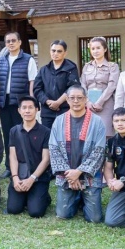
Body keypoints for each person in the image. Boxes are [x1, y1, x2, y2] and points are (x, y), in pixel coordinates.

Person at [48, 85, 107, 223]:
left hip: (89, 176)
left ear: (86, 99)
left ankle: (82, 196)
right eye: (72, 98)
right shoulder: (59, 121)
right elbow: (54, 149)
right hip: (67, 176)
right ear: (67, 100)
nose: (76, 101)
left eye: (79, 98)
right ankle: (77, 196)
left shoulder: (97, 121)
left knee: (94, 218)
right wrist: (71, 176)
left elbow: (99, 151)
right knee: (63, 214)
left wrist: (79, 172)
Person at [0, 32, 38, 177]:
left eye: (13, 40)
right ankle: (9, 166)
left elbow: (32, 82)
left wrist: (31, 103)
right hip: (5, 103)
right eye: (8, 41)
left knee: (23, 134)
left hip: (21, 104)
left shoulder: (28, 59)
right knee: (8, 135)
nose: (11, 43)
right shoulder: (1, 61)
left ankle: (26, 165)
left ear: (19, 42)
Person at [6, 96, 52, 218]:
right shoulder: (14, 131)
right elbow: (13, 156)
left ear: (37, 109)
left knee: (36, 212)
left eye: (31, 107)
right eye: (24, 108)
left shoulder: (45, 131)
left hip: (37, 177)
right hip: (20, 175)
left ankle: (43, 196)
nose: (27, 111)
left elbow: (46, 159)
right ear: (19, 110)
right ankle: (28, 196)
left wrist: (32, 178)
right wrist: (15, 178)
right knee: (13, 209)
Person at [33, 40, 79, 132]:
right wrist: (47, 101)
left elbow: (73, 87)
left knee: (65, 137)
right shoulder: (44, 70)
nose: (55, 53)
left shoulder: (71, 68)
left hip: (65, 110)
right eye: (53, 50)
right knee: (48, 137)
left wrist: (58, 102)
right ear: (50, 51)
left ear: (65, 53)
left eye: (59, 51)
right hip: (47, 111)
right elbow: (37, 89)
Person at [79, 36, 120, 137]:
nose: (95, 51)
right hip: (89, 105)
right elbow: (83, 84)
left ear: (105, 49)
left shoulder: (113, 66)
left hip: (106, 104)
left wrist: (100, 102)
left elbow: (112, 85)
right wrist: (87, 101)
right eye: (93, 48)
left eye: (98, 48)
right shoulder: (87, 66)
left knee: (105, 134)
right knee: (89, 134)